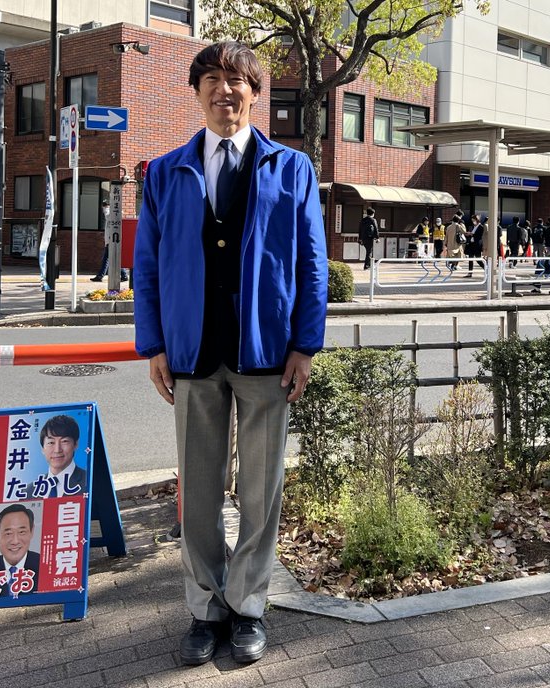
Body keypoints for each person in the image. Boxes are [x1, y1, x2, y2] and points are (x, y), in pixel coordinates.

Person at [133, 42, 327, 666]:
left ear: (255, 93)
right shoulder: (165, 172)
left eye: (238, 81)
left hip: (267, 353)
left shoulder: (290, 169)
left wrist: (305, 343)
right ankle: (205, 608)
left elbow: (312, 262)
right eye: (213, 79)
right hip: (191, 353)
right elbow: (150, 267)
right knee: (197, 488)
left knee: (260, 490)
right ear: (196, 92)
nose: (226, 90)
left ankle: (248, 606)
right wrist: (155, 344)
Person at [35, 414, 86, 496]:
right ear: (42, 449)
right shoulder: (28, 492)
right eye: (51, 442)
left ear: (76, 444)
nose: (57, 450)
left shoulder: (90, 482)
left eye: (64, 441)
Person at [91, 201, 128, 282]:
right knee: (112, 258)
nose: (103, 209)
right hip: (111, 239)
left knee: (107, 259)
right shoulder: (113, 214)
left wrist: (106, 207)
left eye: (104, 207)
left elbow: (107, 215)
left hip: (112, 240)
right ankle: (123, 275)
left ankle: (101, 276)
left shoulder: (112, 214)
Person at [465, 213, 486, 277]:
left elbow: (479, 236)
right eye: (472, 220)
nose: (473, 221)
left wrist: (471, 234)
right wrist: (468, 234)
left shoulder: (481, 227)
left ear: (477, 220)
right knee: (470, 259)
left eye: (474, 220)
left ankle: (487, 269)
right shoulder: (473, 227)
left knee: (478, 259)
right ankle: (470, 273)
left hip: (477, 245)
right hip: (471, 244)